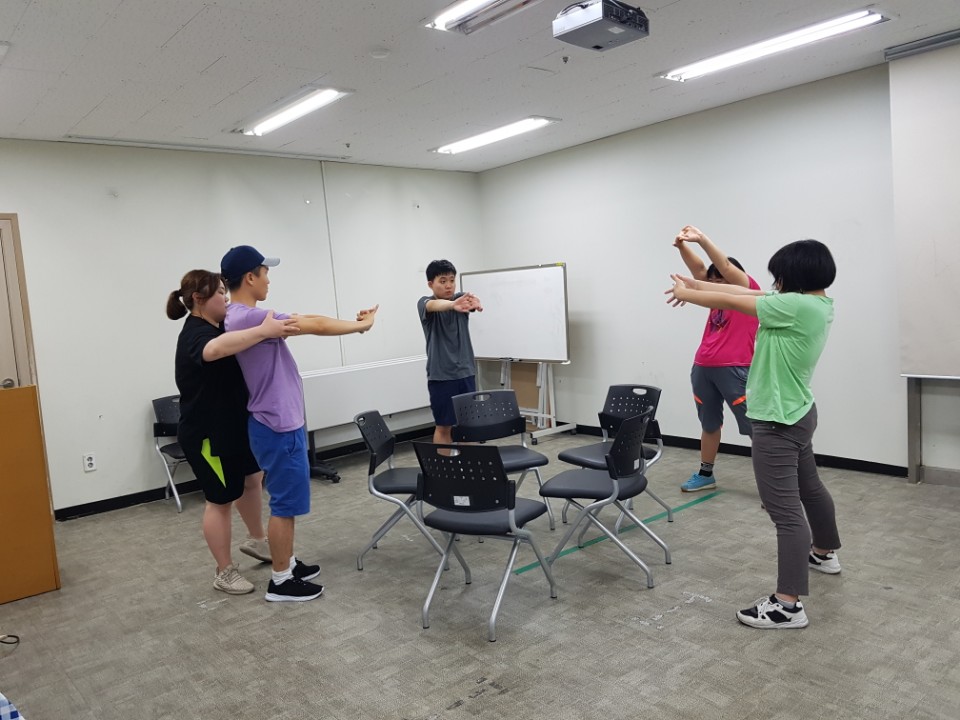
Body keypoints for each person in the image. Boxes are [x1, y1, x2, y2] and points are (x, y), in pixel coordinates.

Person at [665, 238, 841, 630]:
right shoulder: (815, 304)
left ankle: (787, 605)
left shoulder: (794, 306)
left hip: (777, 420)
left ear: (794, 277)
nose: (774, 283)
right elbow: (741, 292)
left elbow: (732, 298)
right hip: (796, 411)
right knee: (810, 488)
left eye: (779, 276)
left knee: (785, 512)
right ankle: (824, 552)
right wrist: (695, 286)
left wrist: (689, 292)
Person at [221, 245, 377, 603]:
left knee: (286, 501)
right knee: (285, 505)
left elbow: (308, 320)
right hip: (277, 424)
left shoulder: (240, 316)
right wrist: (362, 325)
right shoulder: (250, 318)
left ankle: (287, 562)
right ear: (250, 277)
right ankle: (281, 581)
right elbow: (314, 324)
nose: (268, 280)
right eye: (265, 273)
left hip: (275, 420)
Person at [167, 270, 299, 595]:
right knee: (221, 500)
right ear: (198, 299)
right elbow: (213, 351)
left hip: (235, 426)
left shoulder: (220, 326)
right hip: (207, 436)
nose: (225, 299)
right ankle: (223, 571)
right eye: (219, 293)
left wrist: (267, 332)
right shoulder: (195, 333)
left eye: (226, 292)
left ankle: (257, 540)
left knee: (253, 479)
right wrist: (263, 330)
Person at [673, 225, 760, 492]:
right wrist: (682, 246)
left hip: (736, 369)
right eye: (714, 281)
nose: (717, 283)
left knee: (757, 430)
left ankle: (773, 487)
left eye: (722, 278)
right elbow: (700, 271)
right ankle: (705, 474)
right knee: (709, 424)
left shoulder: (748, 291)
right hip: (703, 367)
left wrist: (700, 239)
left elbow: (724, 267)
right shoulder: (714, 298)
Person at [417, 259, 483, 444]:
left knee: (467, 426)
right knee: (444, 426)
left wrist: (474, 301)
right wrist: (452, 305)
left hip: (466, 373)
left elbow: (469, 300)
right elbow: (432, 306)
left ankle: (467, 461)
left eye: (452, 280)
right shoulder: (425, 303)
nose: (449, 285)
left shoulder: (460, 298)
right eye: (443, 281)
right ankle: (443, 463)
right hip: (442, 376)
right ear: (431, 284)